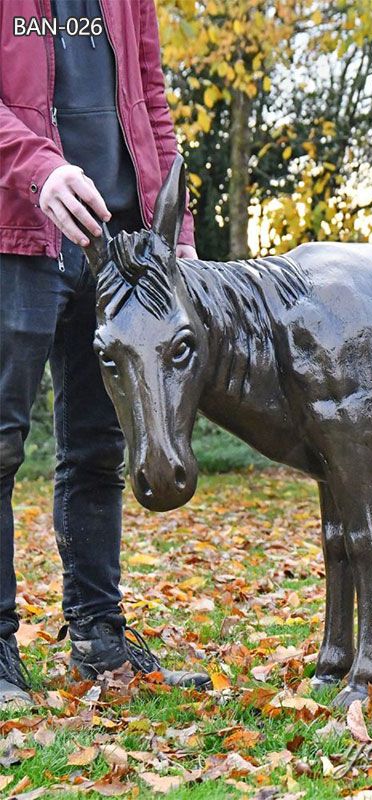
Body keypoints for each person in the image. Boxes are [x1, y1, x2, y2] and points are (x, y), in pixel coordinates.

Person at [0, 0, 209, 706]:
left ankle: (98, 639)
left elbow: (148, 94)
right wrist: (39, 169)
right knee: (0, 446)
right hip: (17, 234)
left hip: (121, 245)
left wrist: (172, 226)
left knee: (95, 449)